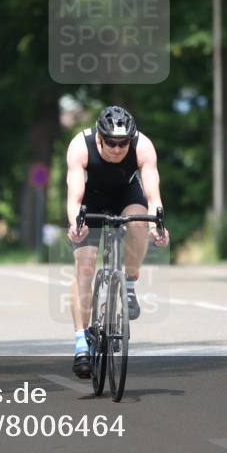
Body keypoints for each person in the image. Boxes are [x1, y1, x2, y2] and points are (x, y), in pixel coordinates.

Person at [65, 106, 169, 378]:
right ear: (100, 137)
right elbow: (74, 199)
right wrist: (76, 224)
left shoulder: (143, 146)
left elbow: (153, 194)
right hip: (92, 197)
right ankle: (80, 344)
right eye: (111, 142)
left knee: (139, 222)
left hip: (127, 193)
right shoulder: (80, 146)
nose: (117, 148)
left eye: (123, 143)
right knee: (85, 266)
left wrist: (158, 224)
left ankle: (131, 282)